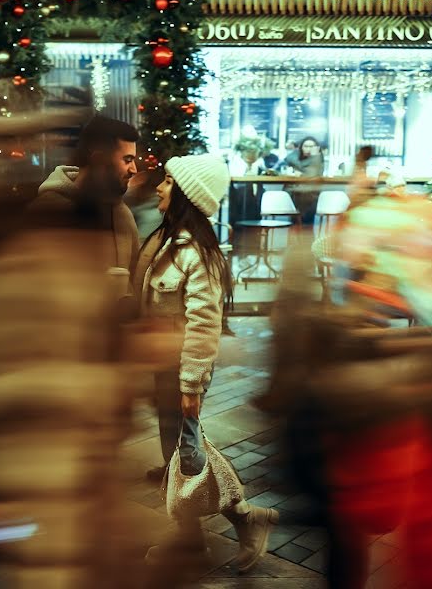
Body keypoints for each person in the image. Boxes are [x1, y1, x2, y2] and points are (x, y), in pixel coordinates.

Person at [138, 153, 278, 574]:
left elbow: (203, 323)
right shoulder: (169, 241)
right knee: (184, 454)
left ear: (184, 193)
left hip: (182, 369)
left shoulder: (195, 253)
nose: (159, 188)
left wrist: (190, 386)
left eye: (166, 182)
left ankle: (219, 528)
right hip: (165, 366)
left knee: (188, 453)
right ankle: (211, 529)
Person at [35, 114, 140, 284]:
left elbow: (135, 279)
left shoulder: (122, 214)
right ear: (99, 160)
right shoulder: (46, 212)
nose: (134, 169)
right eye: (127, 160)